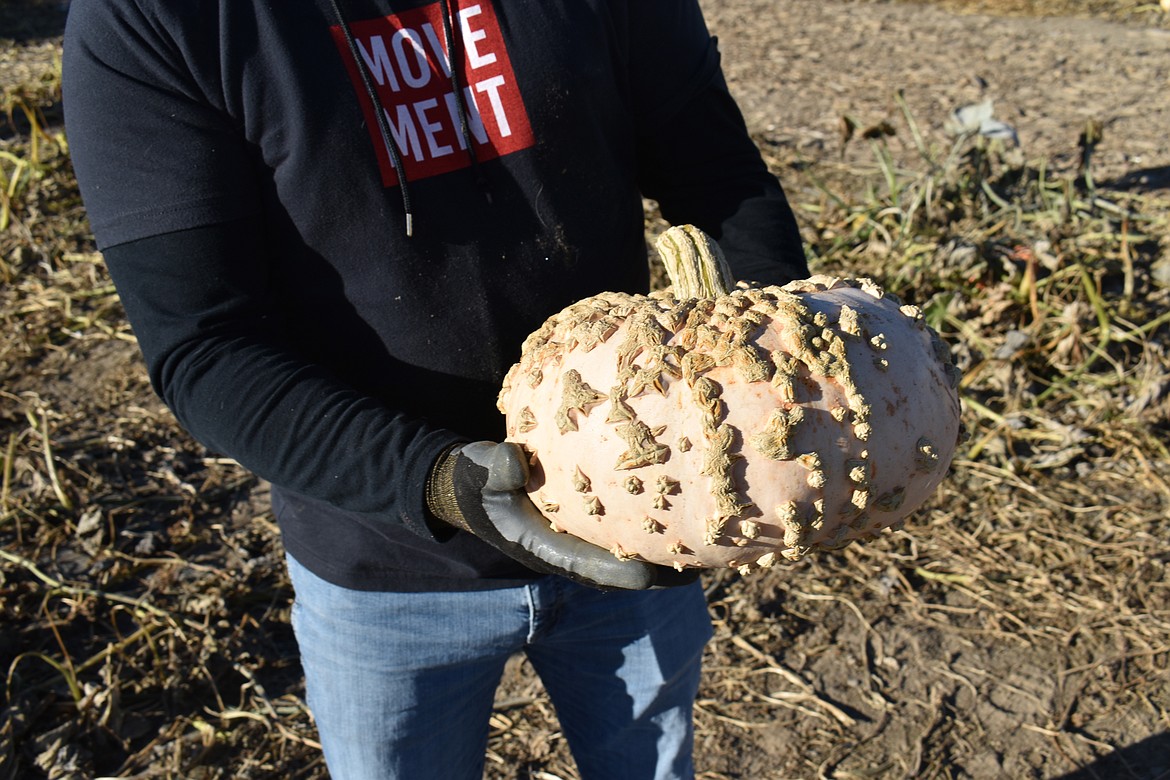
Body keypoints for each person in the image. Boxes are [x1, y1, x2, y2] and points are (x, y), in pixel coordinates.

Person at [62, 1, 808, 777]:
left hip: (646, 515)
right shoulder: (150, 17)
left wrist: (768, 378)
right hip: (381, 565)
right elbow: (206, 344)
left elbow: (717, 176)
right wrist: (438, 482)